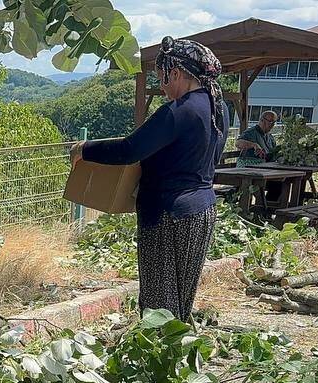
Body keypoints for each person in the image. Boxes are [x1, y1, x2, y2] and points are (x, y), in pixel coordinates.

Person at [70, 37, 228, 322]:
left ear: (175, 73)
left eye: (162, 78)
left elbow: (130, 149)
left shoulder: (179, 112)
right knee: (181, 300)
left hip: (168, 214)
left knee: (159, 305)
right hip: (202, 211)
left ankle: (161, 349)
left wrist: (85, 149)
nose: (162, 87)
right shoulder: (218, 108)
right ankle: (178, 345)